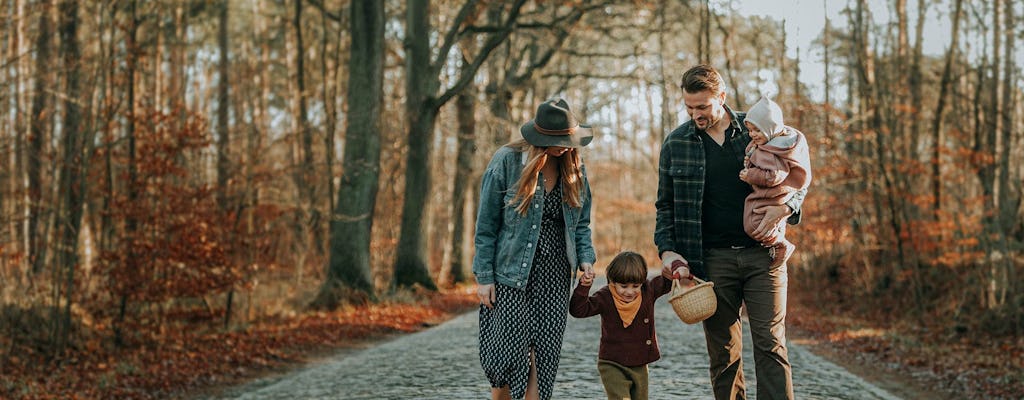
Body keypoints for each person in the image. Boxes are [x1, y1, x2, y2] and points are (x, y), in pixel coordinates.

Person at [654, 64, 806, 400]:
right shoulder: (676, 143)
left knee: (771, 344)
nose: (696, 114)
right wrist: (667, 250)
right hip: (712, 262)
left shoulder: (759, 130)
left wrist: (787, 208)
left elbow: (800, 175)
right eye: (689, 107)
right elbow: (664, 206)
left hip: (764, 256)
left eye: (703, 106)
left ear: (721, 98)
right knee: (723, 355)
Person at [473, 98, 597, 400]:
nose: (566, 147)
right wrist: (483, 277)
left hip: (555, 275)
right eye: (559, 142)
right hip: (511, 275)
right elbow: (486, 226)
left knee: (544, 355)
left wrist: (585, 259)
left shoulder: (574, 169)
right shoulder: (506, 161)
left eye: (570, 140)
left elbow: (581, 224)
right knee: (510, 356)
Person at [568, 251, 678, 400]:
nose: (629, 292)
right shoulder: (605, 297)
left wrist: (674, 269)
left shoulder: (648, 290)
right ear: (612, 281)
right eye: (624, 286)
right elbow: (579, 310)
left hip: (640, 362)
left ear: (642, 282)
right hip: (612, 363)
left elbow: (667, 282)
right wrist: (583, 287)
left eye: (635, 286)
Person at [739, 96, 812, 269]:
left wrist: (751, 174)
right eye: (749, 130)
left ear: (770, 128)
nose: (751, 135)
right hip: (775, 195)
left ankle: (781, 243)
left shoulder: (774, 149)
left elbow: (773, 176)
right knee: (766, 222)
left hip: (772, 193)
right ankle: (777, 240)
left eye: (756, 130)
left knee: (752, 225)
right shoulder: (775, 142)